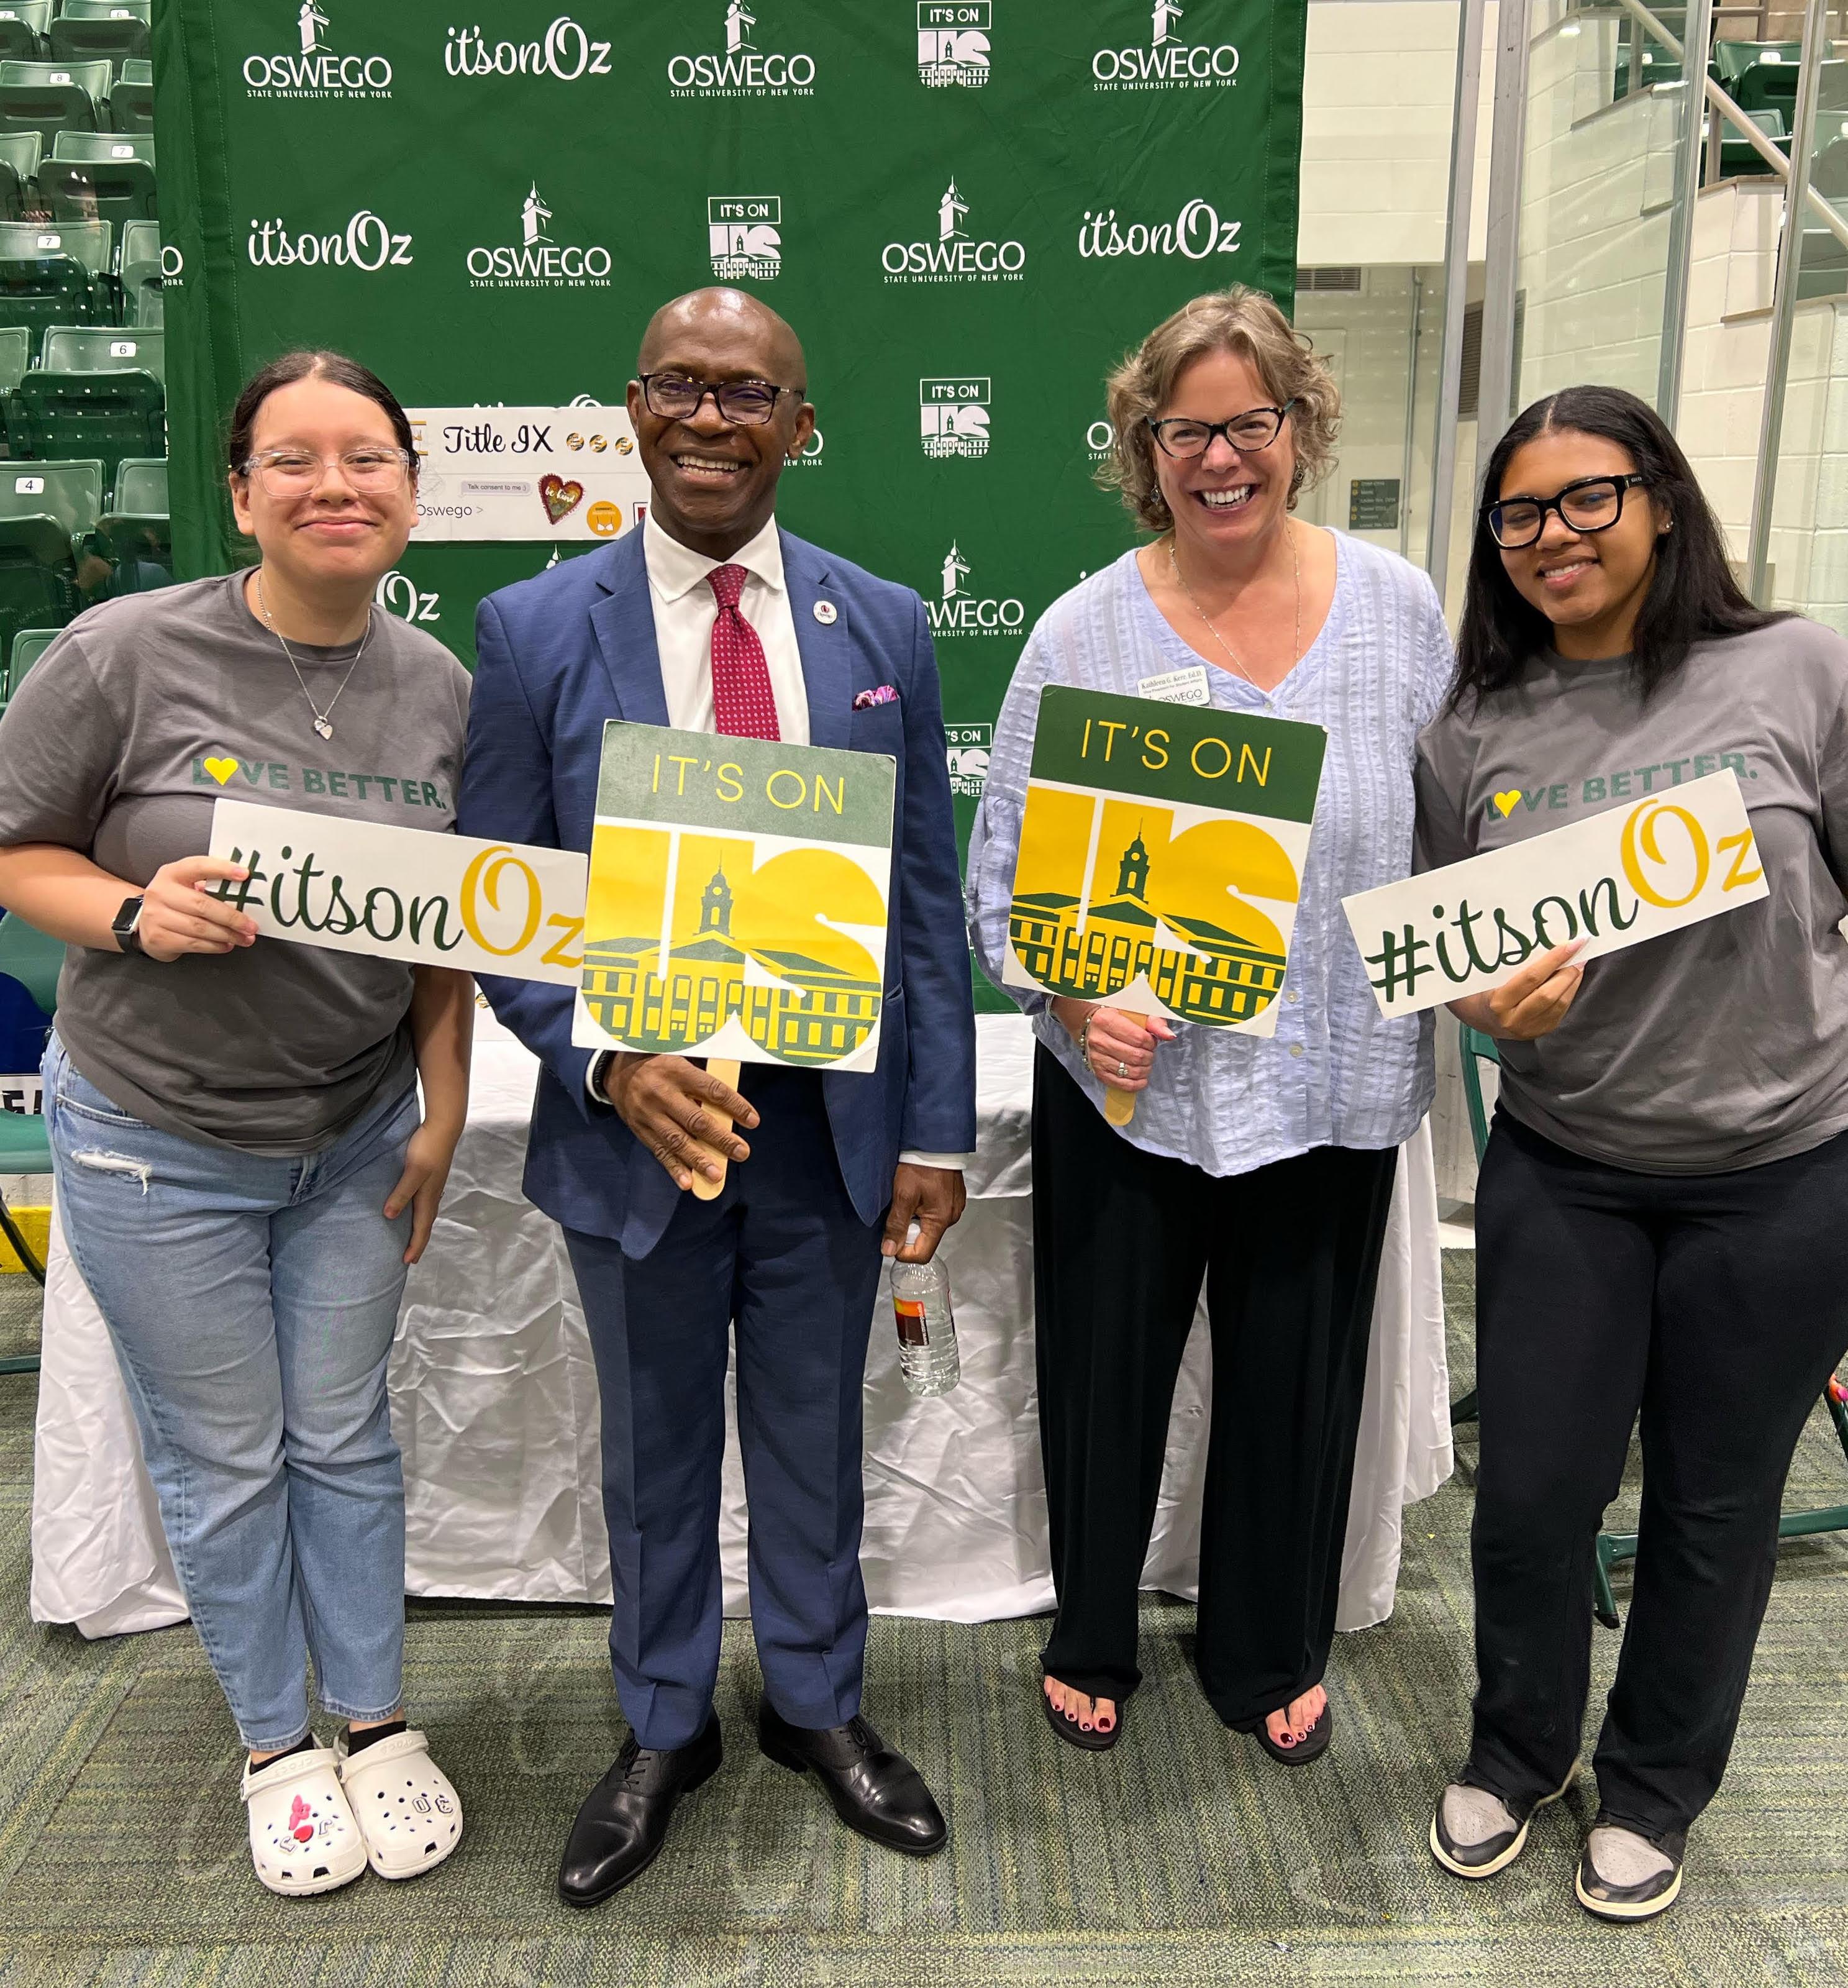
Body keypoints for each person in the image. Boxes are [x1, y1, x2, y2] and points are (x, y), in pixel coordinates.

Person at [457, 287, 976, 1907]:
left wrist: (938, 1128)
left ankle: (816, 1704)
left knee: (816, 1446)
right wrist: (611, 1058)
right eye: (681, 387)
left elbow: (921, 897)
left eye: (748, 393)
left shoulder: (880, 622)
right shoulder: (536, 630)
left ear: (798, 425)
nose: (710, 419)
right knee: (657, 1453)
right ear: (631, 408)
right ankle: (664, 1720)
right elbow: (501, 895)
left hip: (825, 1143)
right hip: (633, 1143)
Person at [0, 351, 473, 1895]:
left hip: (352, 1133)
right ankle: (278, 1744)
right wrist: (135, 912)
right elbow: (17, 851)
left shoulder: (442, 687)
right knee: (223, 1457)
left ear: (412, 487)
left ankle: (378, 1720)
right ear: (242, 491)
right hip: (155, 1139)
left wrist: (442, 1109)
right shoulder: (122, 652)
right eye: (295, 460)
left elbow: (451, 927)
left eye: (368, 459)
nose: (335, 486)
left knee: (344, 1438)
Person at [966, 285, 1453, 1761]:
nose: (1220, 456)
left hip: (1335, 1077)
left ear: (1299, 428)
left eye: (1252, 421)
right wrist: (1069, 987)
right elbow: (1002, 889)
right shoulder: (1080, 633)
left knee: (1296, 1384)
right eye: (1187, 430)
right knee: (1103, 1379)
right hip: (1131, 1091)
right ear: (1145, 447)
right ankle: (1092, 1628)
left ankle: (1269, 1642)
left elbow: (1457, 831)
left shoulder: (1399, 609)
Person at [1418, 383, 1848, 1922]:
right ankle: (1517, 1748)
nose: (1553, 537)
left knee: (1716, 1504)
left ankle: (1657, 1781)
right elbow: (1448, 944)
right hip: (1570, 1164)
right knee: (1532, 1494)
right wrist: (1482, 998)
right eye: (1521, 513)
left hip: (1786, 1172)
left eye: (1588, 498)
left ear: (1664, 499)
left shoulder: (1800, 668)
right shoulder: (1475, 722)